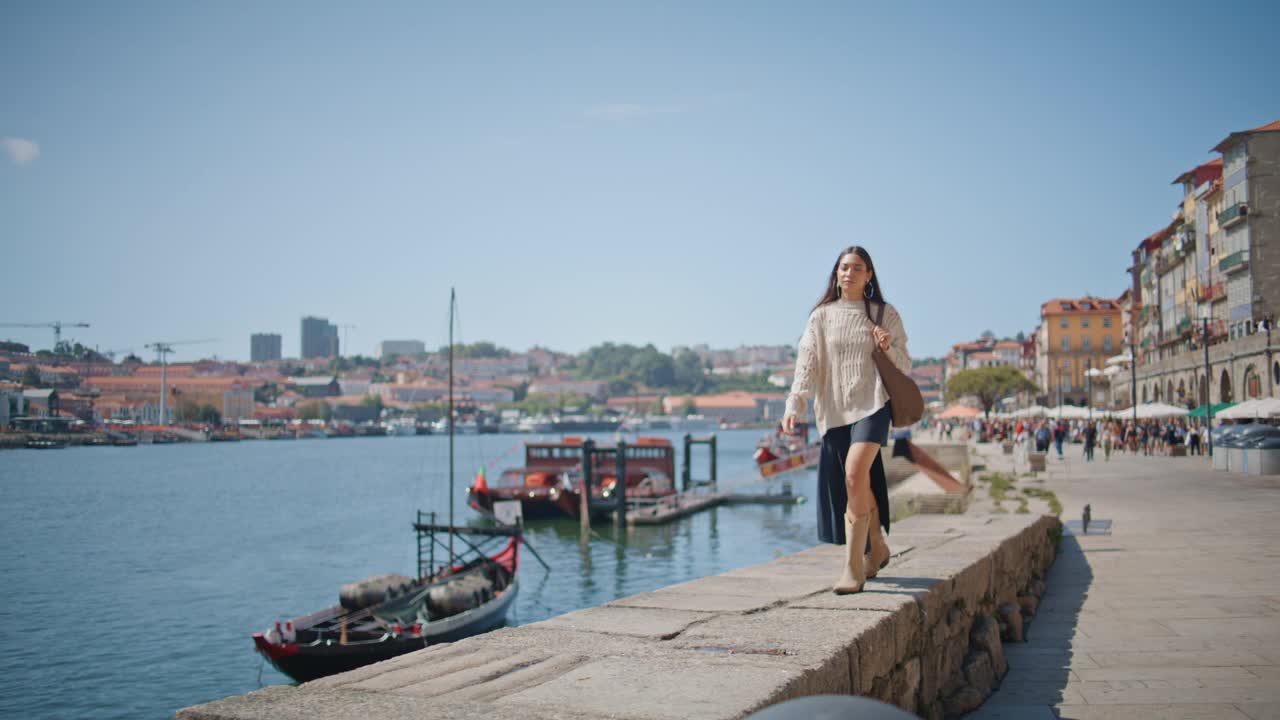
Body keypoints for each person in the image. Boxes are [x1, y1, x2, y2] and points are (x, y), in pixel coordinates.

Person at [783, 245, 910, 596]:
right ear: (835, 275)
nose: (848, 273)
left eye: (857, 268)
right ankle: (878, 546)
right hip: (834, 410)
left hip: (873, 404)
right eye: (843, 268)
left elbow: (905, 365)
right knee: (858, 483)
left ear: (869, 275)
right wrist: (796, 401)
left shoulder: (885, 314)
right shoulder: (821, 316)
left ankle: (853, 568)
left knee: (855, 473)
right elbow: (807, 361)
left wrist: (886, 347)